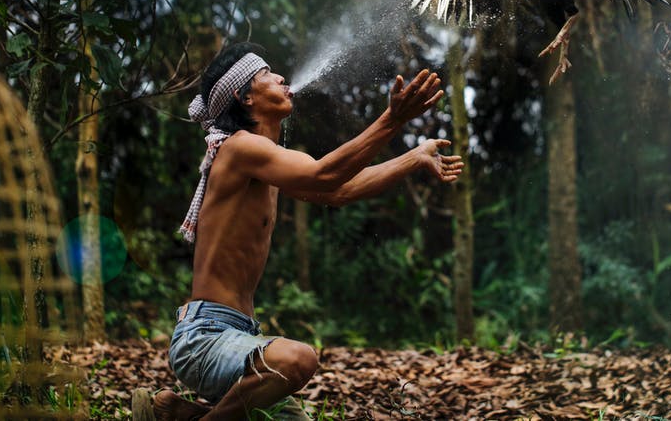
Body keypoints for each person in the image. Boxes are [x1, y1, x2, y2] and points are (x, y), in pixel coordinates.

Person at [154, 43, 463, 421]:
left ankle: (177, 412)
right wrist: (392, 120)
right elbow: (325, 174)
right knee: (297, 359)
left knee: (293, 419)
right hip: (205, 340)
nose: (282, 77)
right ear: (244, 96)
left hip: (240, 337)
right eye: (266, 73)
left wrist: (413, 157)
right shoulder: (239, 149)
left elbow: (338, 190)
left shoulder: (263, 159)